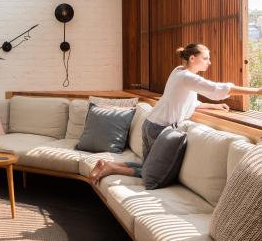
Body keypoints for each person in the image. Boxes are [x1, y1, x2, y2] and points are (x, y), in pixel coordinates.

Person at [90, 43, 262, 185]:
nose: (209, 62)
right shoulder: (187, 77)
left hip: (151, 124)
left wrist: (212, 107)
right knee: (153, 174)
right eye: (206, 58)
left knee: (147, 165)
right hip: (160, 129)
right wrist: (256, 91)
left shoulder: (178, 71)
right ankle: (111, 169)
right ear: (193, 58)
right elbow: (217, 89)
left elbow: (186, 103)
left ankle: (109, 165)